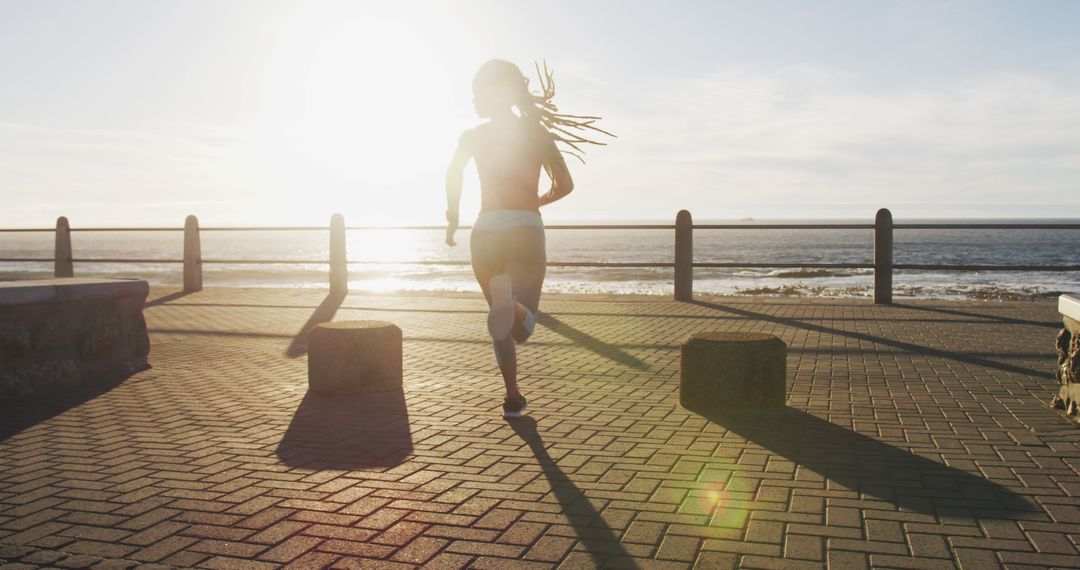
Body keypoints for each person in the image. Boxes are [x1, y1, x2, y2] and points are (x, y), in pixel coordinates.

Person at [444, 60, 611, 418]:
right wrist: (535, 202)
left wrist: (452, 217)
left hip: (484, 230)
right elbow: (565, 185)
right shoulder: (537, 135)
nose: (474, 101)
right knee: (522, 325)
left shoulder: (472, 137)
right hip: (524, 230)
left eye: (477, 93)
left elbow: (453, 174)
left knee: (499, 322)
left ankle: (512, 395)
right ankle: (516, 308)